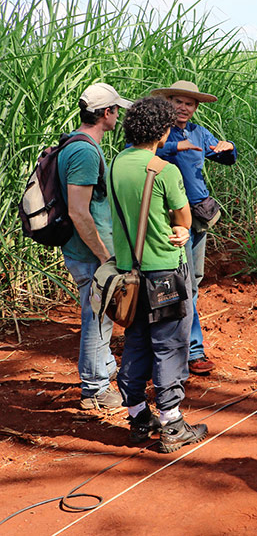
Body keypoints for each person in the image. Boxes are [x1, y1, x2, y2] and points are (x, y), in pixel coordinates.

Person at [111, 96, 208, 451]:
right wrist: (180, 230)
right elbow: (184, 219)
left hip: (128, 275)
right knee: (169, 345)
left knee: (136, 340)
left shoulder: (116, 163)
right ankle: (171, 422)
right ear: (163, 131)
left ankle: (138, 416)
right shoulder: (164, 169)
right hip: (165, 271)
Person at [150, 80, 237, 376]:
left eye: (190, 103)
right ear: (168, 102)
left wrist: (228, 148)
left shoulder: (199, 131)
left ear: (196, 108)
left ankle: (184, 346)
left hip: (198, 215)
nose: (183, 108)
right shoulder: (158, 131)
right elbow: (138, 153)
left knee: (194, 280)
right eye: (178, 101)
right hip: (172, 216)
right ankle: (190, 351)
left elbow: (223, 157)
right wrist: (176, 146)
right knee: (181, 282)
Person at [59, 83, 133, 410]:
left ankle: (104, 371)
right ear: (106, 114)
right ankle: (95, 390)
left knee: (99, 314)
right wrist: (104, 255)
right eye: (116, 110)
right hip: (89, 253)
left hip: (83, 250)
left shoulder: (74, 143)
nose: (118, 115)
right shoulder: (86, 151)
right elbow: (78, 210)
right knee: (97, 317)